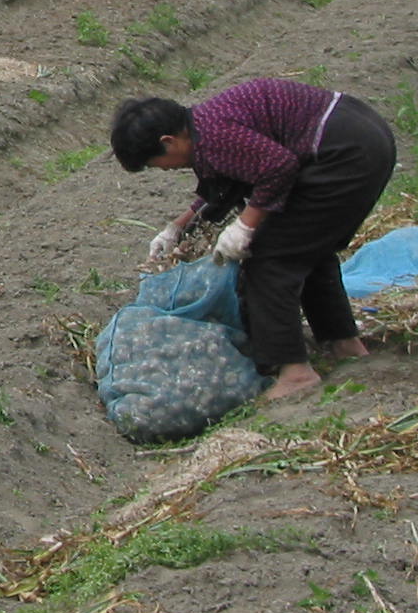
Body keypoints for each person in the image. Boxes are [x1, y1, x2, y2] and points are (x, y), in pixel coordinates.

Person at [111, 79, 397, 404]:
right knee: (305, 247)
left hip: (343, 154)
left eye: (154, 163)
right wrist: (177, 228)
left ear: (169, 141)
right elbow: (227, 185)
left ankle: (295, 373)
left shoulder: (214, 136)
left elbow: (278, 167)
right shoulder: (204, 125)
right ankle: (344, 344)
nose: (161, 170)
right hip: (362, 135)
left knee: (269, 262)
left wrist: (245, 226)